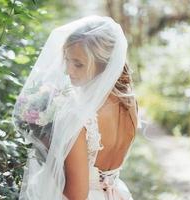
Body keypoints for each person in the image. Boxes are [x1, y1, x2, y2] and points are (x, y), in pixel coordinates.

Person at [12, 15, 139, 200]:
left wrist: (51, 148)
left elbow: (77, 195)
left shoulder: (79, 115)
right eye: (68, 60)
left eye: (78, 64)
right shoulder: (129, 103)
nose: (68, 70)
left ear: (103, 65)